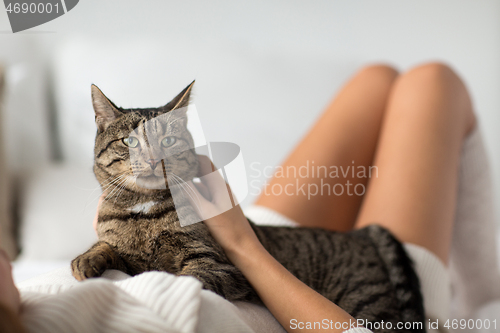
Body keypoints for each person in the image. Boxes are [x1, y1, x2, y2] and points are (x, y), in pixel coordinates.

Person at [0, 62, 487, 332]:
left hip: (262, 230)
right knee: (434, 81)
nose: (5, 258)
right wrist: (238, 241)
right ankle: (490, 292)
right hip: (355, 275)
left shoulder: (37, 299)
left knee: (377, 78)